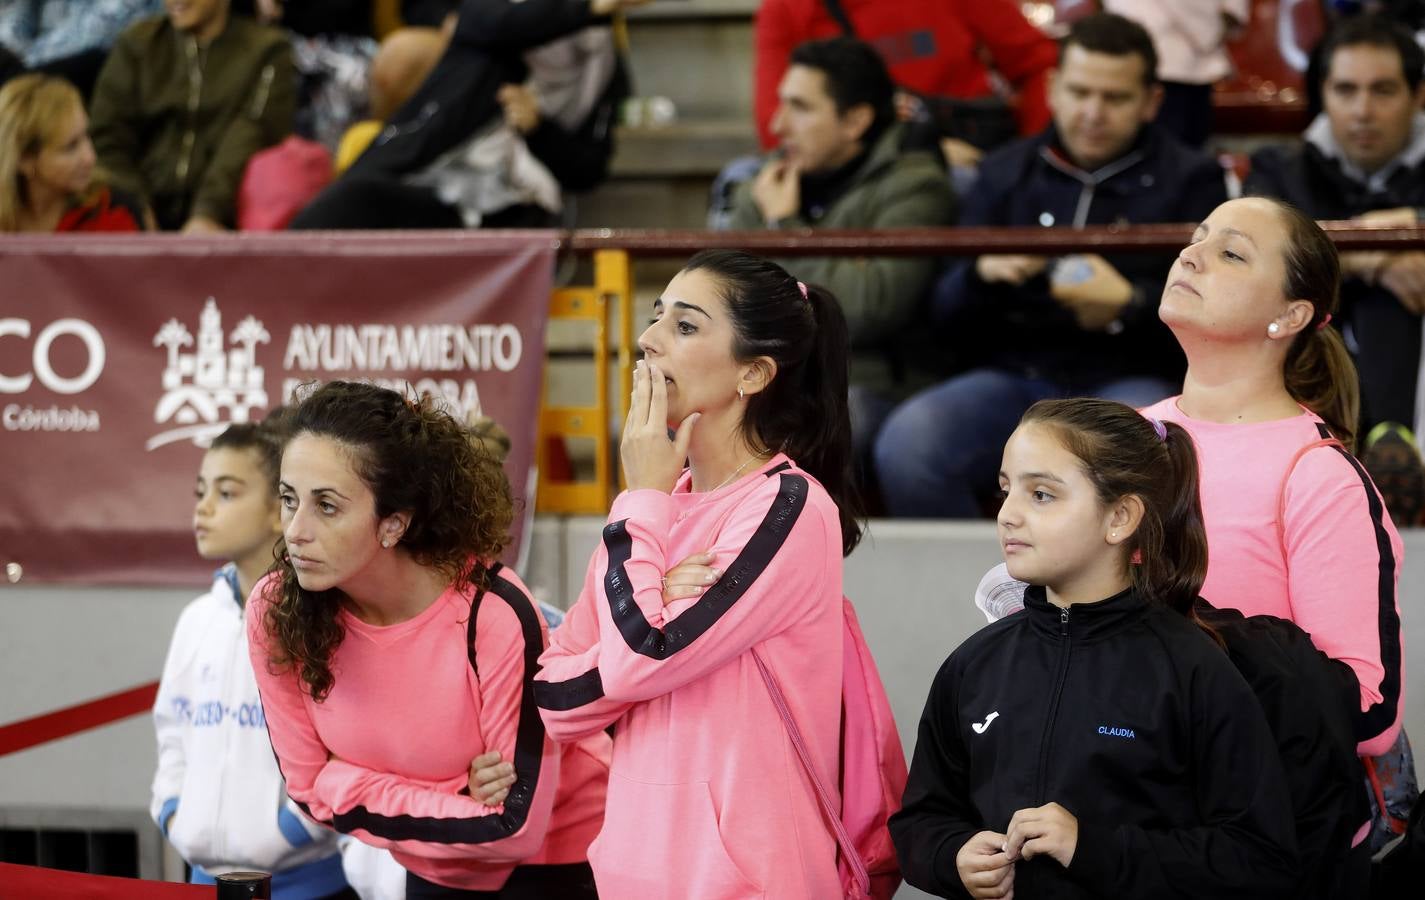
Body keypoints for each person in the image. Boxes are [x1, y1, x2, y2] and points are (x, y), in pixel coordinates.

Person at [532, 251, 862, 898]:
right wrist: (648, 599)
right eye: (656, 319)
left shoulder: (786, 507)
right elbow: (553, 700)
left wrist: (642, 612)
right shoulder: (655, 504)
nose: (647, 340)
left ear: (753, 372)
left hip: (744, 881)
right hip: (632, 872)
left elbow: (637, 659)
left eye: (684, 326)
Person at [890, 398, 1300, 899]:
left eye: (1041, 494)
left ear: (1121, 516)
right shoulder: (973, 665)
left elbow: (1259, 859)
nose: (1007, 515)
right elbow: (920, 821)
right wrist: (953, 856)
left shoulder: (1193, 669)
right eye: (1004, 490)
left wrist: (1091, 848)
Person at [246, 381, 610, 899]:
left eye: (326, 506)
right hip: (436, 860)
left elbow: (514, 827)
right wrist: (456, 792)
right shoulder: (274, 609)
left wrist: (347, 781)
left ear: (392, 524)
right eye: (289, 499)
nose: (295, 530)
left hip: (562, 862)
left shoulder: (494, 612)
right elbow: (307, 790)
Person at [873, 12, 1230, 518]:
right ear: (1053, 88)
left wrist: (1130, 304)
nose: (1093, 112)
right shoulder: (1002, 173)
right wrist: (980, 277)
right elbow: (940, 319)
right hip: (1015, 375)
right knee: (911, 445)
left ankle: (1113, 599)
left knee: (1142, 454)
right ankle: (986, 592)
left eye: (1115, 98)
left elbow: (1219, 321)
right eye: (1080, 92)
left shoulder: (1193, 181)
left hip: (1132, 376)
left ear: (1152, 102)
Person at [1141, 195, 1406, 867]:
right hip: (1121, 816)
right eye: (1195, 236)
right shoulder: (1120, 439)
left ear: (1288, 317)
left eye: (1229, 253)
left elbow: (1369, 715)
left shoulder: (1316, 475)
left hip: (1256, 839)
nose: (1189, 254)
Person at [722, 36, 957, 473]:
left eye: (801, 108)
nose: (777, 125)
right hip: (767, 374)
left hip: (868, 381)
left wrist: (785, 231)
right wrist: (835, 268)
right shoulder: (767, 184)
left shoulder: (914, 187)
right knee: (675, 419)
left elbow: (868, 307)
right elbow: (729, 297)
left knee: (806, 429)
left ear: (856, 120)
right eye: (782, 103)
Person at [151, 419, 350, 897]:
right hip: (205, 881)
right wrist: (174, 814)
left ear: (277, 509)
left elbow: (347, 751)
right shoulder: (198, 618)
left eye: (227, 492)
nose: (202, 507)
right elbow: (172, 732)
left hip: (311, 883)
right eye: (201, 490)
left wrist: (288, 832)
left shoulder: (326, 618)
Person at [1245, 13, 1425, 518]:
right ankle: (1359, 449)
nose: (1363, 110)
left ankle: (1378, 451)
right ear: (1323, 93)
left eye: (1383, 90)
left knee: (1399, 286)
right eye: (1346, 90)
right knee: (1302, 297)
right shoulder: (1277, 166)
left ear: (1418, 96)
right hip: (1312, 331)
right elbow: (1259, 251)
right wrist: (1379, 250)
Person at [292, 0, 643, 229]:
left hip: (505, 213)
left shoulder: (600, 62)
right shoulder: (495, 25)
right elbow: (482, 21)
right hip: (424, 182)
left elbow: (588, 169)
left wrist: (539, 129)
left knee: (352, 202)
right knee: (344, 204)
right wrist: (588, 7)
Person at [752, 0, 1058, 161]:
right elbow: (776, 125)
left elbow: (1039, 64)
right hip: (855, 164)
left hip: (965, 155)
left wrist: (1025, 156)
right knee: (738, 179)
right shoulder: (788, 9)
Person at [88, 0, 296, 231]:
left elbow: (250, 136)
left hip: (227, 224)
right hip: (136, 218)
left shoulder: (268, 50)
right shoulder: (137, 44)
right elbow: (108, 137)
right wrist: (134, 208)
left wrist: (209, 212)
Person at [0, 74, 146, 232]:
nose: (90, 157)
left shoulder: (113, 212)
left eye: (86, 136)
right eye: (71, 147)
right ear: (23, 160)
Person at [1100, 1, 1249, 147]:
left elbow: (1232, 12)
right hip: (1133, 61)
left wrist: (1213, 28)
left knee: (1186, 153)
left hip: (1194, 71)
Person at [0, 0, 161, 99]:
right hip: (25, 84)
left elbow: (90, 38)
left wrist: (14, 73)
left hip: (85, 94)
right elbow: (12, 27)